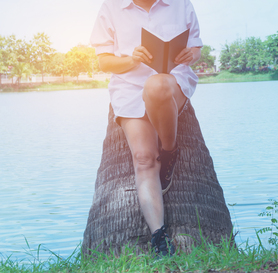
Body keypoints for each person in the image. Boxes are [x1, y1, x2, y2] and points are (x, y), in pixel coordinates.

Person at [90, 0, 203, 257]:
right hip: (128, 88)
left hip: (171, 82)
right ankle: (159, 237)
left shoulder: (181, 3)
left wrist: (191, 54)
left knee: (156, 85)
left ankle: (169, 150)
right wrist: (131, 60)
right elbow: (104, 63)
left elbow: (196, 47)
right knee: (143, 159)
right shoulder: (111, 8)